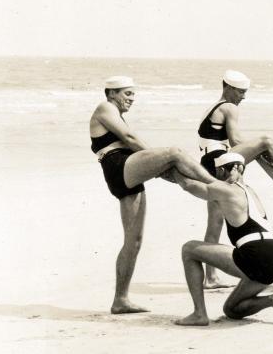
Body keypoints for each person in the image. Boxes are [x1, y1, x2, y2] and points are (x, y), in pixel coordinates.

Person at [89, 76, 219, 314]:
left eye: (133, 94)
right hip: (118, 166)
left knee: (134, 241)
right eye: (127, 94)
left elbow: (132, 145)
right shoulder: (105, 108)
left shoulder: (115, 114)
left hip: (125, 175)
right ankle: (218, 185)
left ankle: (120, 300)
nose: (132, 99)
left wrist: (160, 168)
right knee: (175, 153)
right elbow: (129, 140)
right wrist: (161, 161)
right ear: (111, 94)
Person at [196, 70, 273, 288]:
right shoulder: (229, 107)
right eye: (240, 91)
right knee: (266, 141)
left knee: (215, 222)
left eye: (245, 92)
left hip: (209, 164)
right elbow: (236, 140)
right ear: (227, 87)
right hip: (220, 159)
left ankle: (210, 277)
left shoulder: (211, 108)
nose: (243, 97)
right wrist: (257, 151)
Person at [172, 153, 273, 326]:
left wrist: (173, 165)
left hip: (256, 257)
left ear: (221, 170)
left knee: (189, 249)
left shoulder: (227, 190)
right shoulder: (250, 191)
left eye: (217, 173)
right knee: (232, 310)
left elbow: (188, 185)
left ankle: (199, 314)